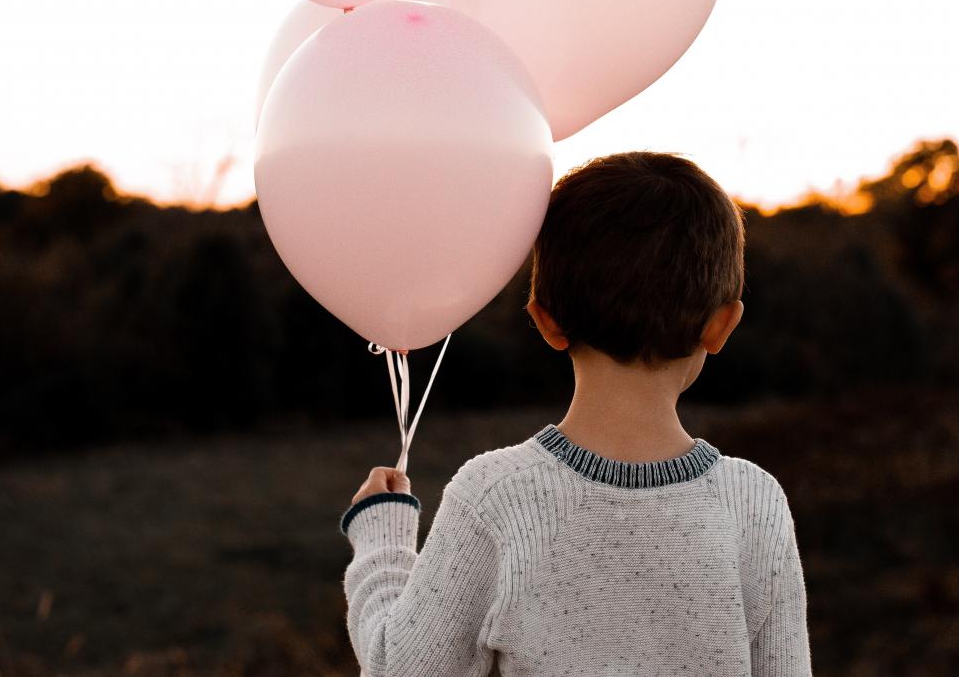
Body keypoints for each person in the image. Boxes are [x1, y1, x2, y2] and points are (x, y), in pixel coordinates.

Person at [337, 151, 812, 676]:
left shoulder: (495, 496)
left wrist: (383, 541)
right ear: (722, 325)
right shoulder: (755, 503)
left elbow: (399, 670)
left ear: (544, 320)